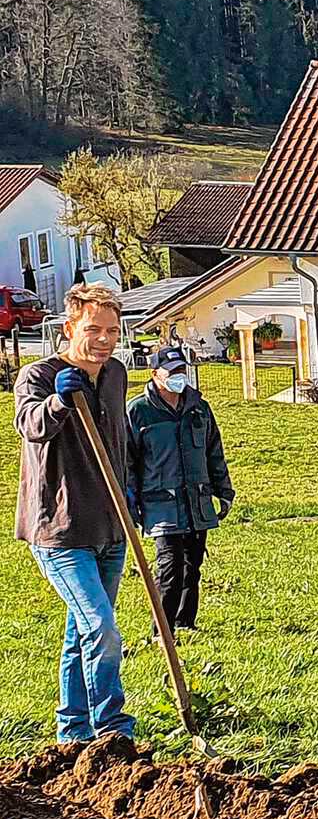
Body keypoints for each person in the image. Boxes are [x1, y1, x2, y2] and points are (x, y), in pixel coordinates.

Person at [13, 282, 136, 743]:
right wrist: (60, 400)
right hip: (60, 529)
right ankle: (112, 727)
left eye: (112, 331)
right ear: (69, 328)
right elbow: (30, 425)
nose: (104, 339)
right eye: (93, 330)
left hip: (111, 525)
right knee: (101, 628)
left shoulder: (116, 373)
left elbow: (119, 439)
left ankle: (73, 731)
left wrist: (132, 493)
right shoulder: (39, 376)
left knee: (80, 631)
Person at [126, 345, 234, 636]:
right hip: (161, 505)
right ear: (155, 374)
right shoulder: (138, 411)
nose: (178, 377)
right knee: (169, 569)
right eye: (171, 372)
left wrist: (224, 492)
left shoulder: (199, 407)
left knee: (192, 568)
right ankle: (162, 630)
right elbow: (128, 462)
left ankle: (186, 623)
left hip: (196, 501)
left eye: (182, 371)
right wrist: (130, 501)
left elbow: (214, 452)